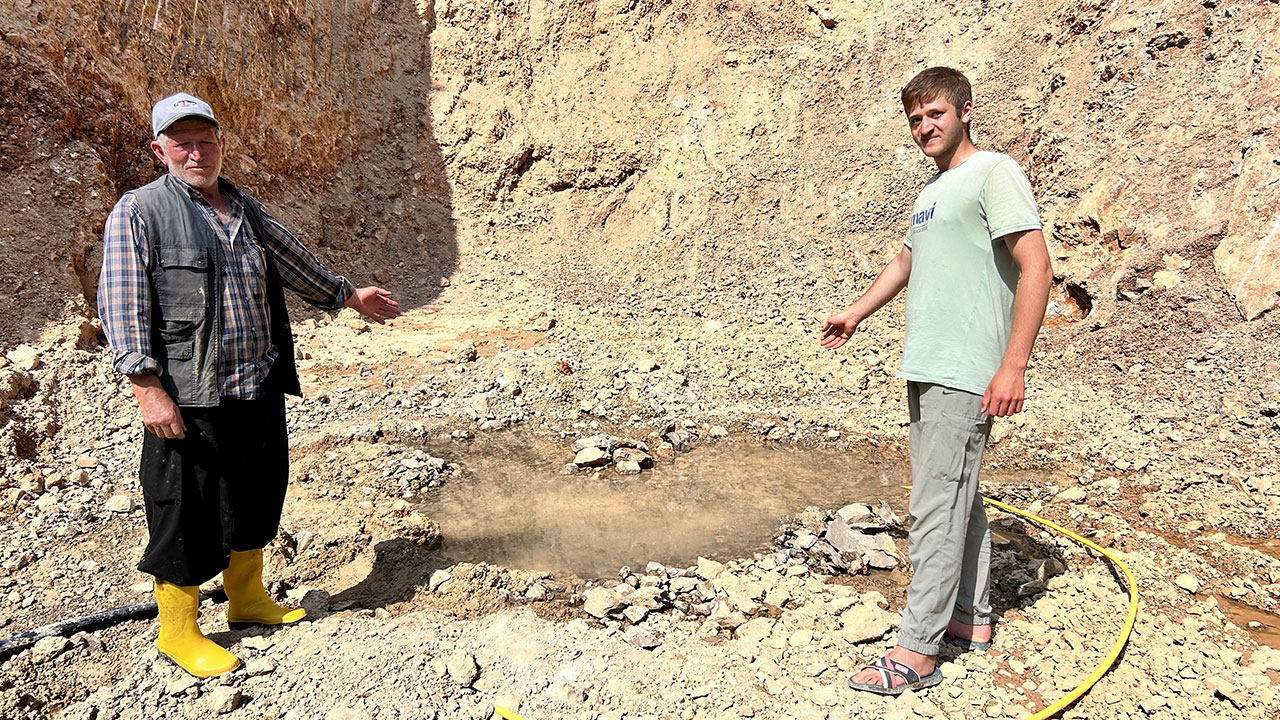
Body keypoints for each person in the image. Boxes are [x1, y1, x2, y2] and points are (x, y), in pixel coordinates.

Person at [98, 92, 401, 677]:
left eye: (204, 140)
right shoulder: (139, 213)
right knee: (184, 510)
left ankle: (247, 598)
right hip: (190, 395)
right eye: (181, 142)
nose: (195, 152)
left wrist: (347, 296)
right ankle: (178, 630)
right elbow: (123, 304)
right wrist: (147, 388)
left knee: (256, 493)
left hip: (254, 385)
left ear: (220, 144)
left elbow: (293, 261)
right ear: (159, 150)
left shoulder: (244, 208)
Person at [820, 67, 1053, 695]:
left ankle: (915, 651)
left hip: (965, 368)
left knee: (932, 507)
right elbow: (908, 258)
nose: (925, 127)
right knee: (958, 498)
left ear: (965, 112)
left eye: (935, 115)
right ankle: (968, 619)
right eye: (916, 119)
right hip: (925, 363)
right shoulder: (933, 191)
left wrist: (1014, 364)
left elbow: (1038, 265)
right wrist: (857, 312)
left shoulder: (993, 173)